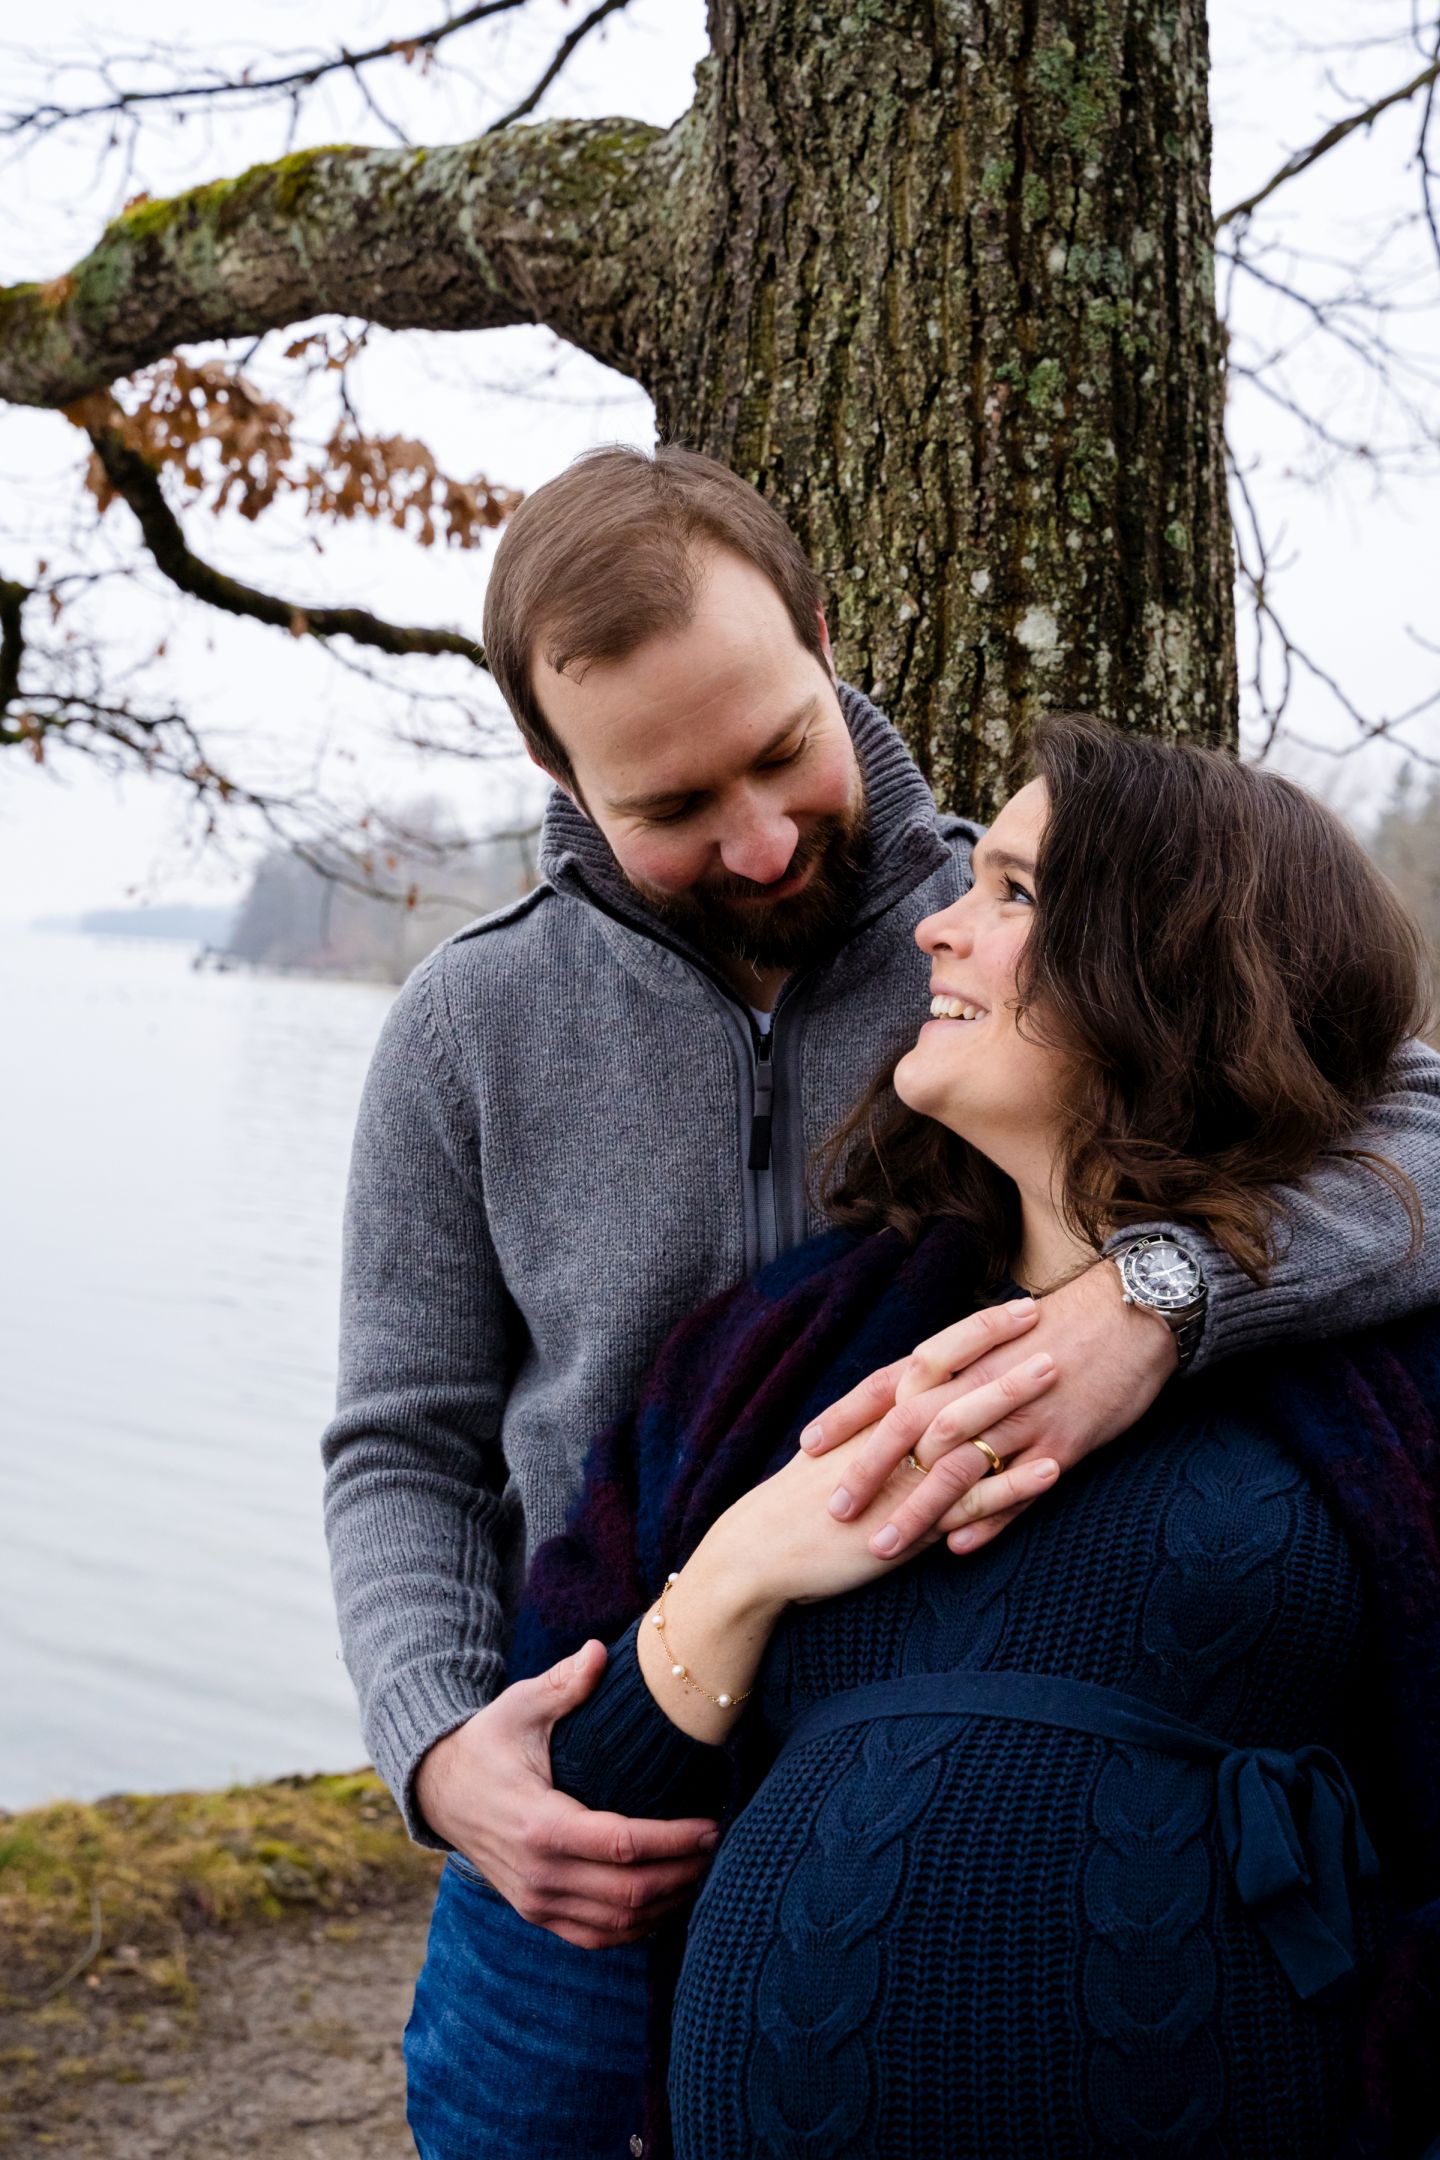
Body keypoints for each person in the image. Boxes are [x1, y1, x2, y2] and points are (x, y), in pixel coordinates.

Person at [320, 447, 1440, 2158]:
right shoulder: (469, 1033)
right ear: (559, 773)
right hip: (580, 1790)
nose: (762, 840)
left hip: (881, 1715)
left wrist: (1157, 1299)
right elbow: (402, 1447)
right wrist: (438, 1750)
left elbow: (1396, 1117)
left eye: (782, 751)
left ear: (827, 636)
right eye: (677, 808)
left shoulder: (1027, 930)